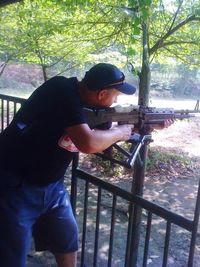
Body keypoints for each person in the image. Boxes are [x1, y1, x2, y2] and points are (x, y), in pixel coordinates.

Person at [0, 63, 137, 267]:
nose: (116, 100)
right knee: (12, 256)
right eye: (115, 95)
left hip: (53, 187)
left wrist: (146, 125)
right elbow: (89, 143)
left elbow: (101, 142)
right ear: (101, 94)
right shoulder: (61, 91)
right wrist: (121, 132)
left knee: (66, 241)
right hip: (15, 183)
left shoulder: (92, 107)